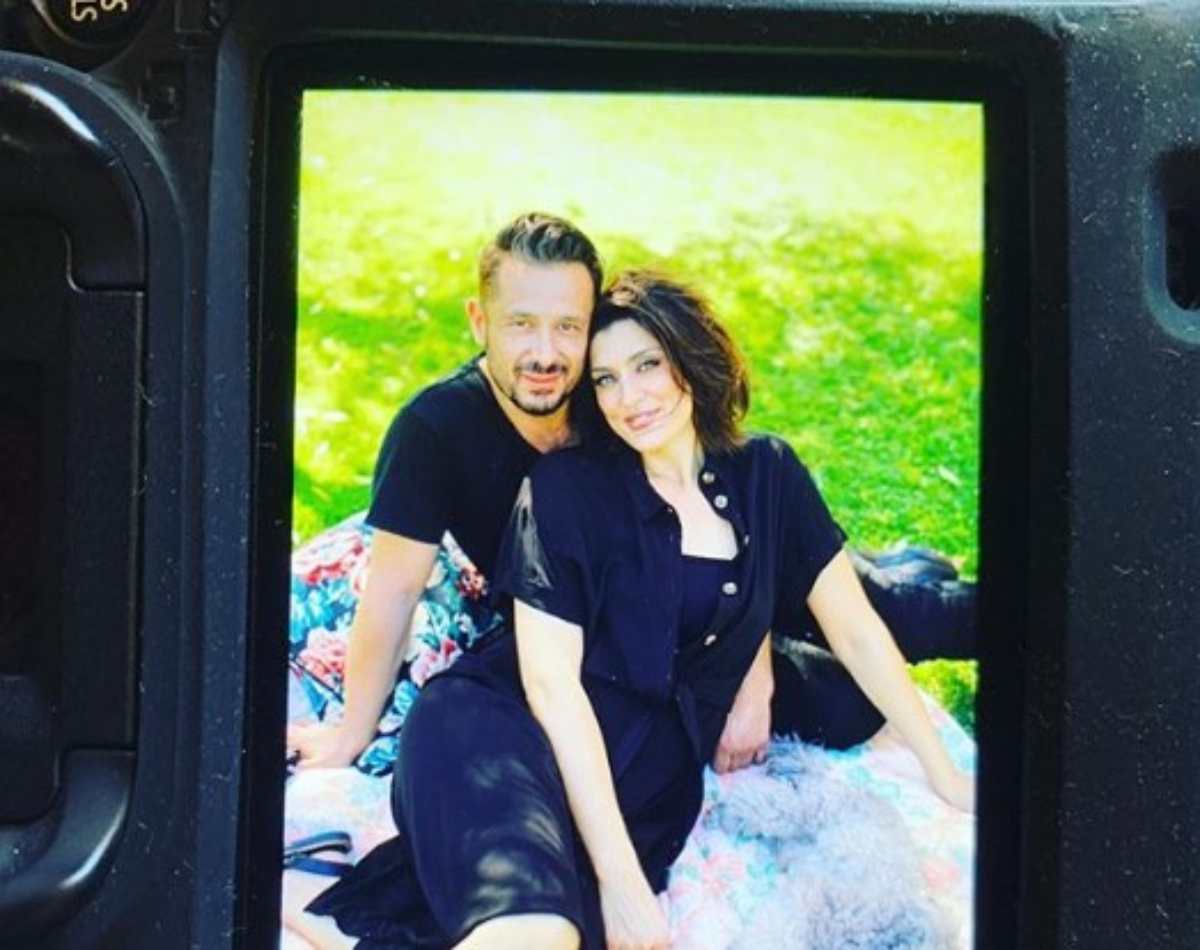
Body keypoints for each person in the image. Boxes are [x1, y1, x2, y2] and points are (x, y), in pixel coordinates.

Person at [303, 270, 974, 949]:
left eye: (647, 365)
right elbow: (549, 687)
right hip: (498, 734)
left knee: (858, 685)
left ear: (691, 354)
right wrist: (620, 880)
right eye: (606, 379)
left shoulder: (767, 472)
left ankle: (939, 586)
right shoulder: (567, 488)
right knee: (538, 935)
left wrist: (946, 776)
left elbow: (857, 631)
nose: (629, 398)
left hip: (638, 780)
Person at [286, 212, 975, 781]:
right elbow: (395, 590)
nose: (546, 353)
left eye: (568, 326)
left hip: (736, 569)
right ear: (479, 321)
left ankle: (1006, 609)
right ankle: (905, 565)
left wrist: (754, 671)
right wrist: (350, 733)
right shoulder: (434, 430)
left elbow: (734, 508)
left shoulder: (613, 392)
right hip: (662, 622)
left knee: (901, 616)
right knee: (846, 704)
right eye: (521, 324)